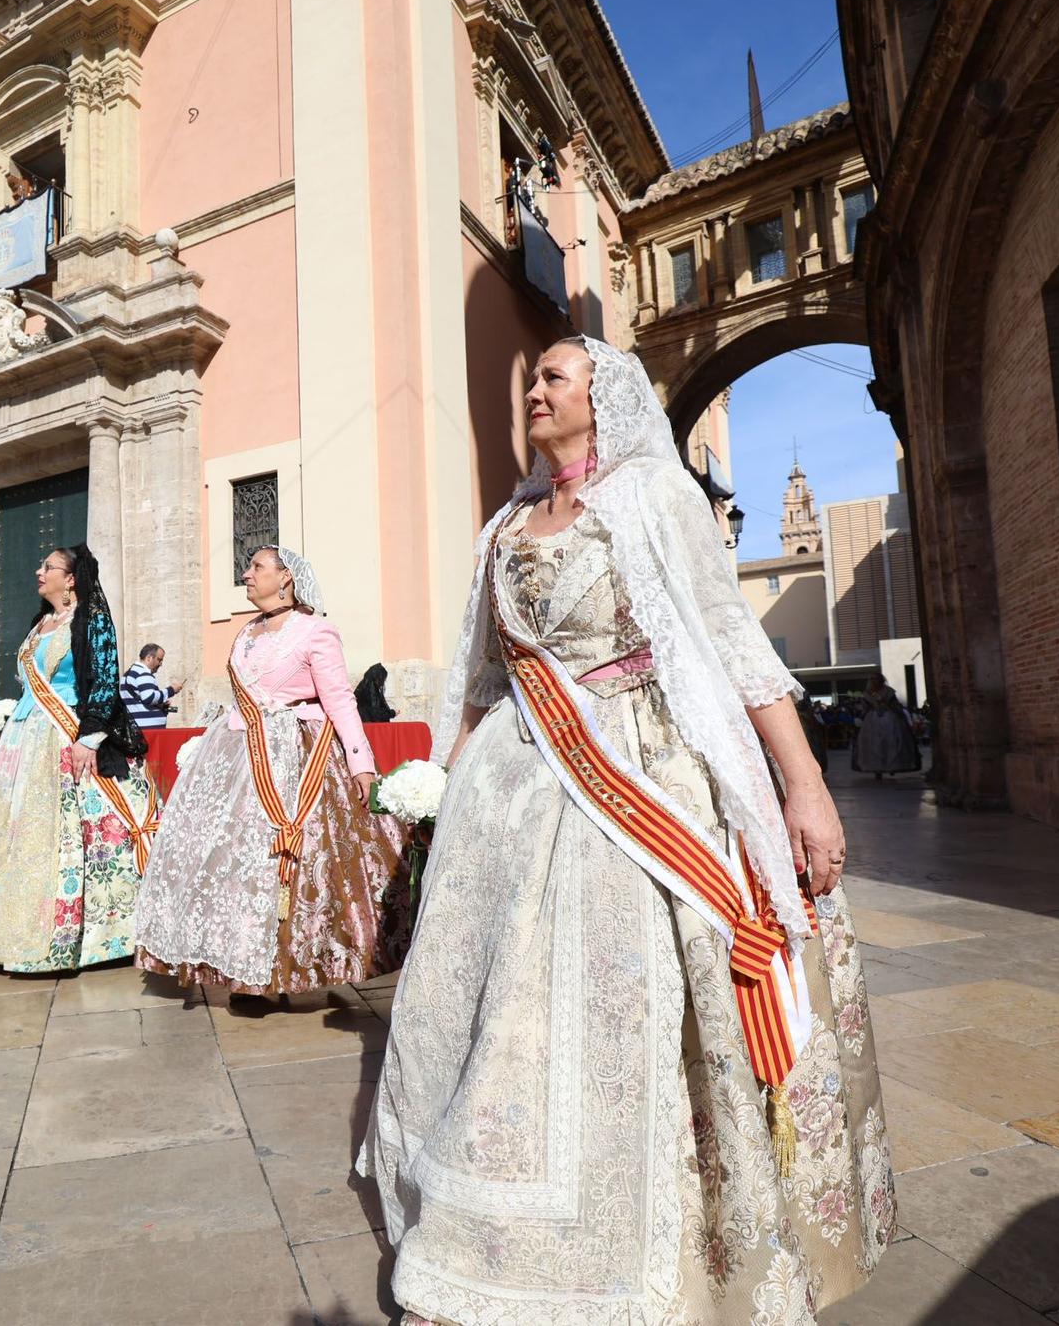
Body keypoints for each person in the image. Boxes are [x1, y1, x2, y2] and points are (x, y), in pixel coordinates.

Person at [361, 338, 893, 1324]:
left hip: (640, 782)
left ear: (601, 396)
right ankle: (486, 1228)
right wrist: (445, 783)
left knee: (614, 1011)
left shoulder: (654, 493)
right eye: (531, 377)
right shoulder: (506, 525)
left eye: (554, 376)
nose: (534, 388)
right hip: (511, 796)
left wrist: (804, 784)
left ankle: (637, 1242)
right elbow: (483, 677)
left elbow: (727, 637)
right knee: (496, 1011)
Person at [134, 546, 413, 996]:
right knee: (230, 859)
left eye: (257, 568)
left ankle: (283, 968)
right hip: (239, 755)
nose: (246, 575)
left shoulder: (315, 631)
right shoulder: (246, 633)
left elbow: (340, 698)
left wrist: (361, 762)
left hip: (298, 758)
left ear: (285, 578)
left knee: (293, 863)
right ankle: (234, 965)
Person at [0, 545, 158, 972]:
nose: (39, 572)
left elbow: (105, 680)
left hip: (67, 737)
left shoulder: (90, 619)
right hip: (23, 739)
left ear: (71, 579)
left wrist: (89, 739)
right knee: (14, 832)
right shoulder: (40, 624)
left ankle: (90, 935)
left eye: (49, 567)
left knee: (75, 834)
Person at [852, 677, 919, 780]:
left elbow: (894, 705)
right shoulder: (871, 693)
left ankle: (888, 767)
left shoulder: (886, 692)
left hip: (883, 719)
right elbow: (865, 708)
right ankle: (880, 769)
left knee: (888, 742)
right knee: (877, 744)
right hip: (878, 719)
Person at [119, 643, 178, 731]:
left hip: (139, 727)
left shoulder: (130, 673)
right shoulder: (143, 673)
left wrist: (161, 705)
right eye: (159, 660)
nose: (160, 664)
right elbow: (149, 697)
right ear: (149, 658)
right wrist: (171, 690)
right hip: (148, 731)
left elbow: (139, 700)